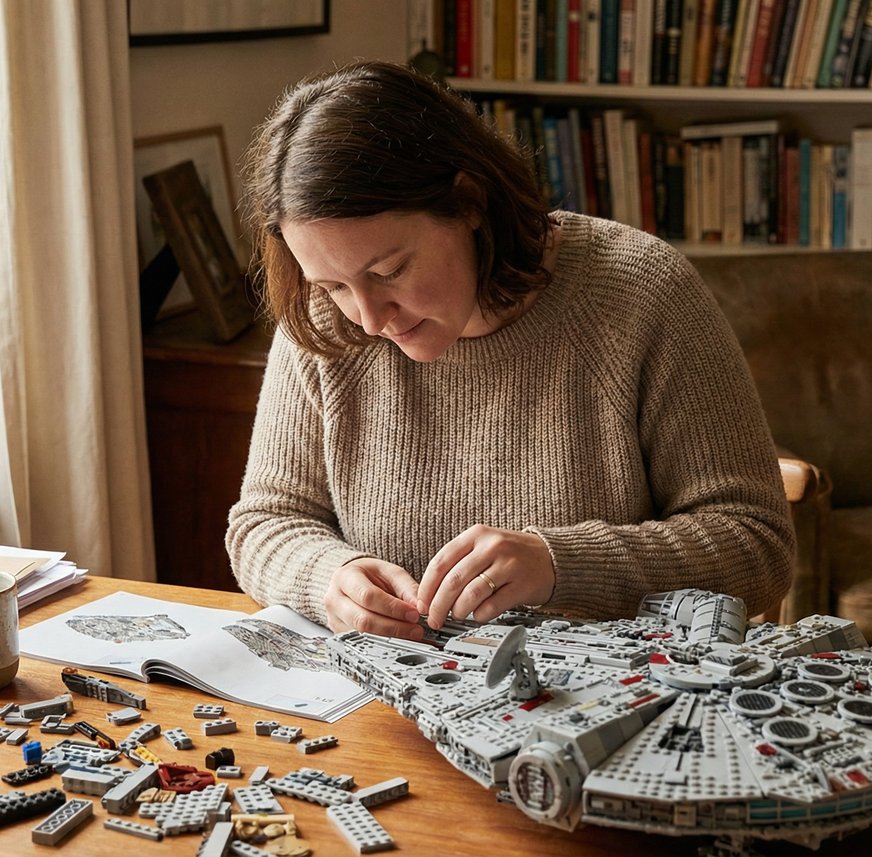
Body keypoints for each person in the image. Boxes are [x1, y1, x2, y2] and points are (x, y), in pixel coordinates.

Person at [226, 60, 794, 641]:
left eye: (390, 270)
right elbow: (266, 523)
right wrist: (330, 576)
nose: (369, 319)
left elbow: (757, 543)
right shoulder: (324, 324)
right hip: (385, 703)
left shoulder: (640, 293)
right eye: (335, 286)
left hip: (604, 703)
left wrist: (560, 565)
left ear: (468, 201)